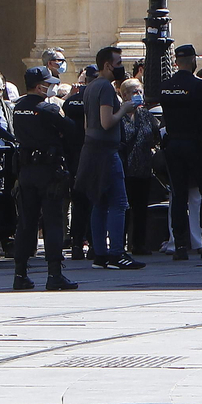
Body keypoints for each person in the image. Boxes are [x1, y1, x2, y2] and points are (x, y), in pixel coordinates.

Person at [9, 67, 79, 290]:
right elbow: (71, 129)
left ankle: (20, 274)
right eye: (47, 84)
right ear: (39, 86)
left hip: (26, 171)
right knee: (53, 222)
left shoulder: (18, 108)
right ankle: (54, 274)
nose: (50, 87)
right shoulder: (47, 109)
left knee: (26, 223)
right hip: (48, 172)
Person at [76, 46, 144, 270]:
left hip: (91, 149)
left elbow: (89, 124)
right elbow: (107, 122)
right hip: (106, 151)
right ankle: (116, 253)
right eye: (118, 62)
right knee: (119, 202)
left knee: (99, 202)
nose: (120, 66)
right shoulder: (105, 87)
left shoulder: (89, 87)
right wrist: (124, 109)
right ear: (107, 65)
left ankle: (100, 254)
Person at [159, 44, 202, 261]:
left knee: (178, 195)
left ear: (176, 61)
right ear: (193, 60)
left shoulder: (165, 87)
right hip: (197, 143)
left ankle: (179, 246)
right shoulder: (201, 87)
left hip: (174, 144)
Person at [117, 77, 161, 260]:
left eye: (140, 91)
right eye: (134, 92)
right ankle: (120, 243)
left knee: (141, 208)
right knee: (123, 208)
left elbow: (155, 135)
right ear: (124, 95)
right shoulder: (118, 115)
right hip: (124, 169)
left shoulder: (145, 115)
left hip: (143, 167)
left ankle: (139, 244)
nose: (138, 95)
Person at [61, 66, 92, 260]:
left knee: (78, 204)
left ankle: (77, 245)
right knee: (94, 203)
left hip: (74, 159)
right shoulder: (97, 100)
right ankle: (94, 244)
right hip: (92, 155)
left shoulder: (71, 103)